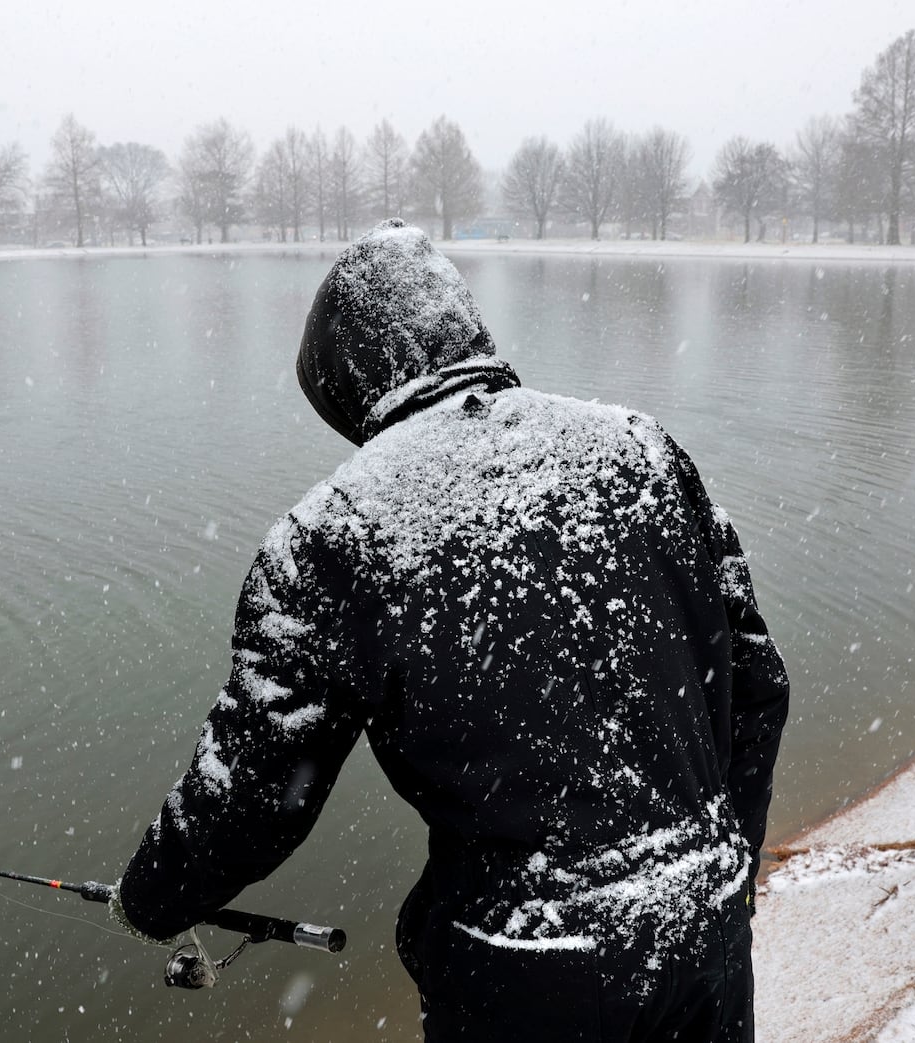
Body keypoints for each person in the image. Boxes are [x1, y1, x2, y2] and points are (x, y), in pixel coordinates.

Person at [110, 219, 789, 1042]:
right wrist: (726, 857)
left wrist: (149, 896)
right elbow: (756, 684)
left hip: (525, 976)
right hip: (702, 933)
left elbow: (254, 790)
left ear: (345, 384)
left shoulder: (334, 533)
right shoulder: (640, 449)